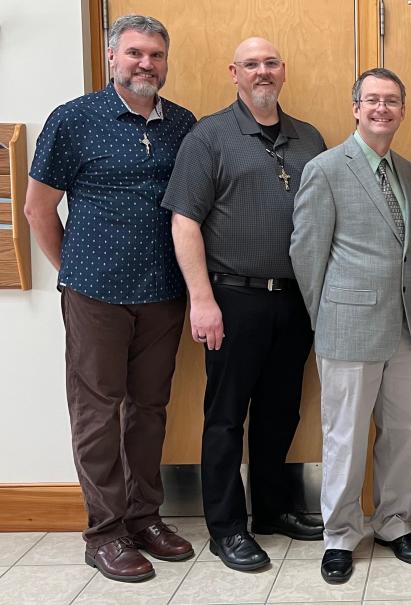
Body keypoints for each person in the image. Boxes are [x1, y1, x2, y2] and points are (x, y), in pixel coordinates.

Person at [23, 14, 196, 583]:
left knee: (148, 411)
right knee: (97, 414)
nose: (146, 64)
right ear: (112, 57)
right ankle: (104, 532)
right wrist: (74, 272)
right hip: (96, 294)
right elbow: (38, 210)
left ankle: (145, 517)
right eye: (135, 54)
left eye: (156, 55)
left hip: (163, 293)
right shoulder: (73, 120)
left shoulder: (183, 125)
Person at [162, 37, 326, 572]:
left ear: (284, 71)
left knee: (281, 412)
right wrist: (201, 300)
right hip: (232, 298)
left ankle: (273, 511)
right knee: (226, 416)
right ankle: (227, 527)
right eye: (251, 64)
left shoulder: (309, 138)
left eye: (271, 63)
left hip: (295, 300)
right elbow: (184, 220)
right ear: (234, 73)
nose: (263, 72)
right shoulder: (208, 136)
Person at [290, 67, 411, 584]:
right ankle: (341, 535)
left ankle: (394, 522)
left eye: (391, 101)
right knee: (344, 436)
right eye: (372, 100)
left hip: (405, 326)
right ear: (355, 108)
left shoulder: (408, 171)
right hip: (346, 326)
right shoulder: (326, 169)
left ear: (402, 110)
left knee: (405, 431)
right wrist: (325, 318)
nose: (381, 109)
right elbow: (306, 253)